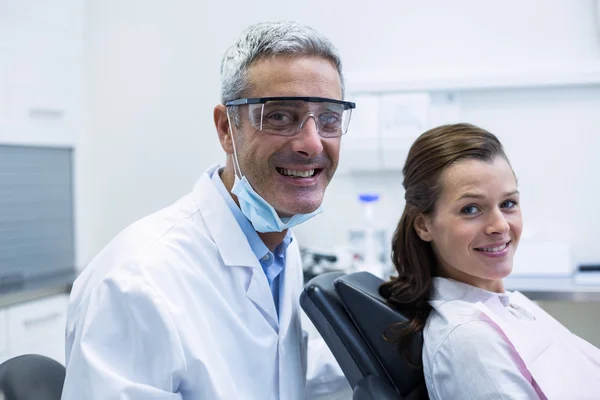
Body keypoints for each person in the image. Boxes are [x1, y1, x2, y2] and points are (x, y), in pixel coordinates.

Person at [62, 21, 355, 399]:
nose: (312, 143)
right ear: (225, 129)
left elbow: (270, 368)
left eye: (329, 119)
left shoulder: (277, 249)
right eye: (281, 116)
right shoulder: (137, 282)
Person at [380, 123, 600, 399]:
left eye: (508, 204)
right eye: (470, 209)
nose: (500, 226)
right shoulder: (468, 339)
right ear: (424, 225)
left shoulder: (505, 304)